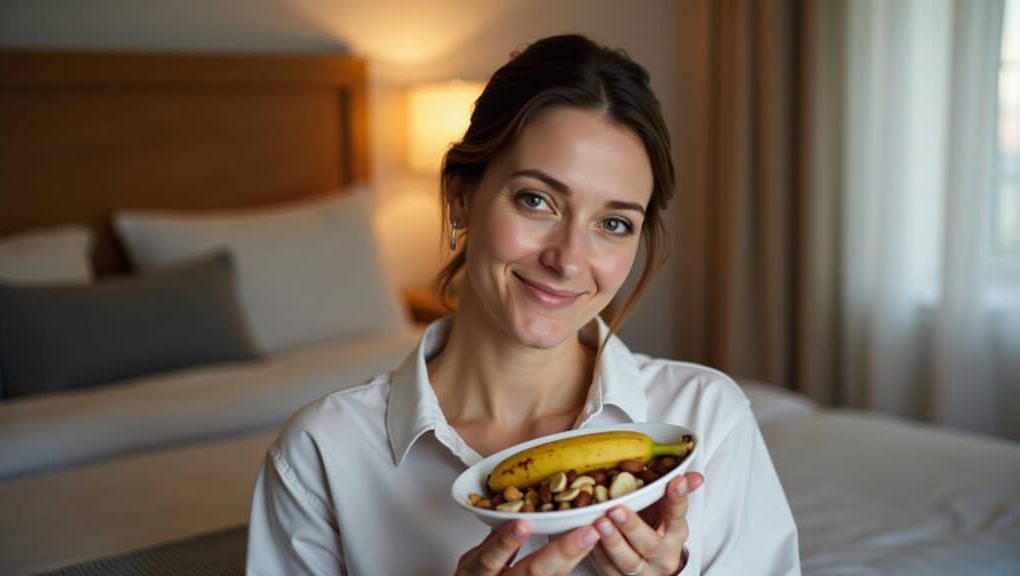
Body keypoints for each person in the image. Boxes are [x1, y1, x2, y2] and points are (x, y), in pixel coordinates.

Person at [246, 34, 800, 575]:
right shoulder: (322, 455)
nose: (567, 260)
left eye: (613, 224)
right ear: (461, 197)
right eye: (537, 201)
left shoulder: (706, 417)